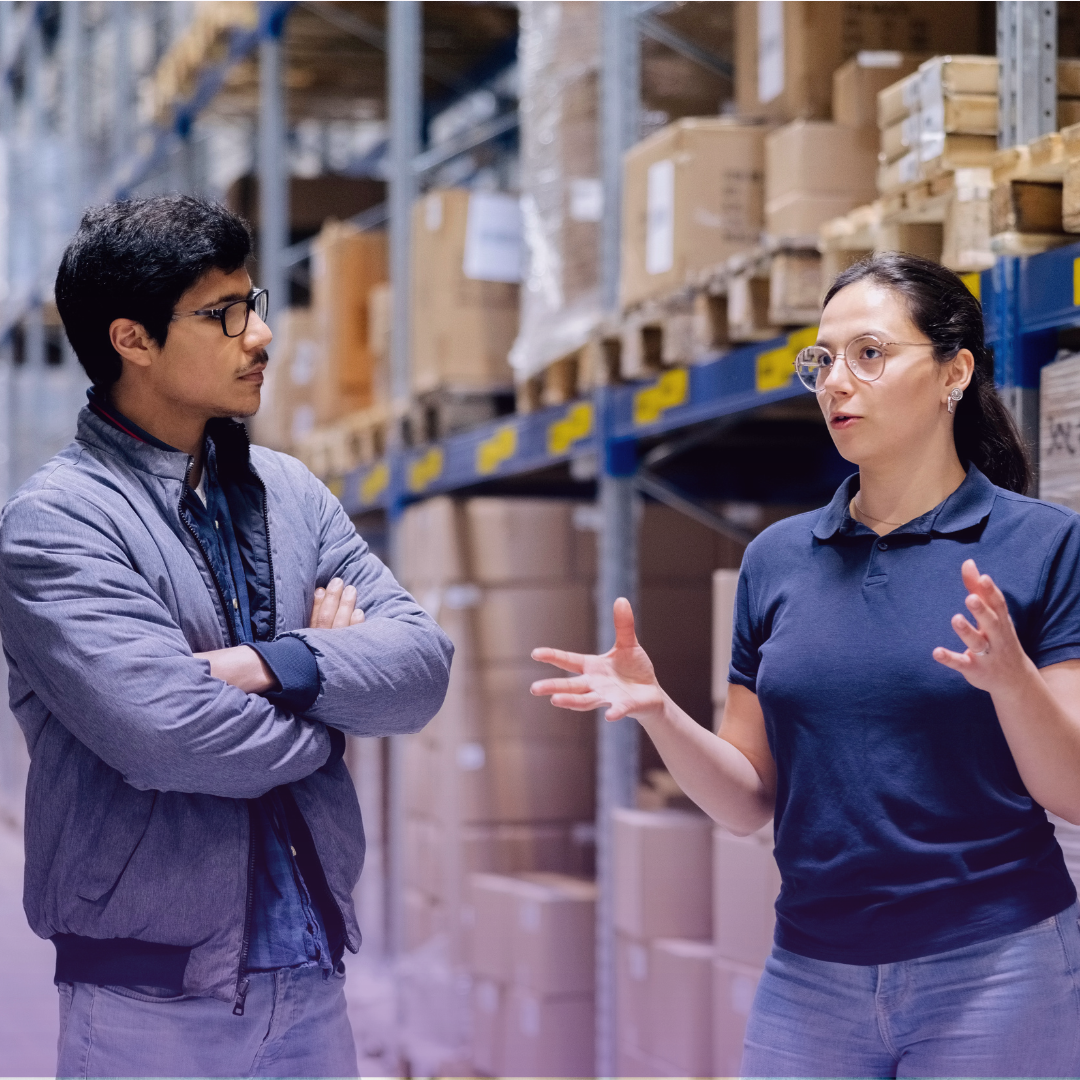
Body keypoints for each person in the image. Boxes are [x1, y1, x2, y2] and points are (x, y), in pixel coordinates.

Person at [531, 251, 1080, 1078]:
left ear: (954, 372)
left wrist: (1013, 681)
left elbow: (1072, 789)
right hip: (810, 973)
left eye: (869, 353)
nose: (834, 382)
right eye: (821, 360)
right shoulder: (778, 559)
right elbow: (747, 799)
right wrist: (659, 713)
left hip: (995, 964)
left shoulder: (1042, 544)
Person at [0, 195, 453, 1078]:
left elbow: (421, 667)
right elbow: (170, 736)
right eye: (225, 314)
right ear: (131, 339)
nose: (262, 336)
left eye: (256, 304)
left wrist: (267, 665)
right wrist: (332, 704)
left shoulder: (291, 493)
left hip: (314, 981)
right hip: (149, 1009)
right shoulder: (58, 525)